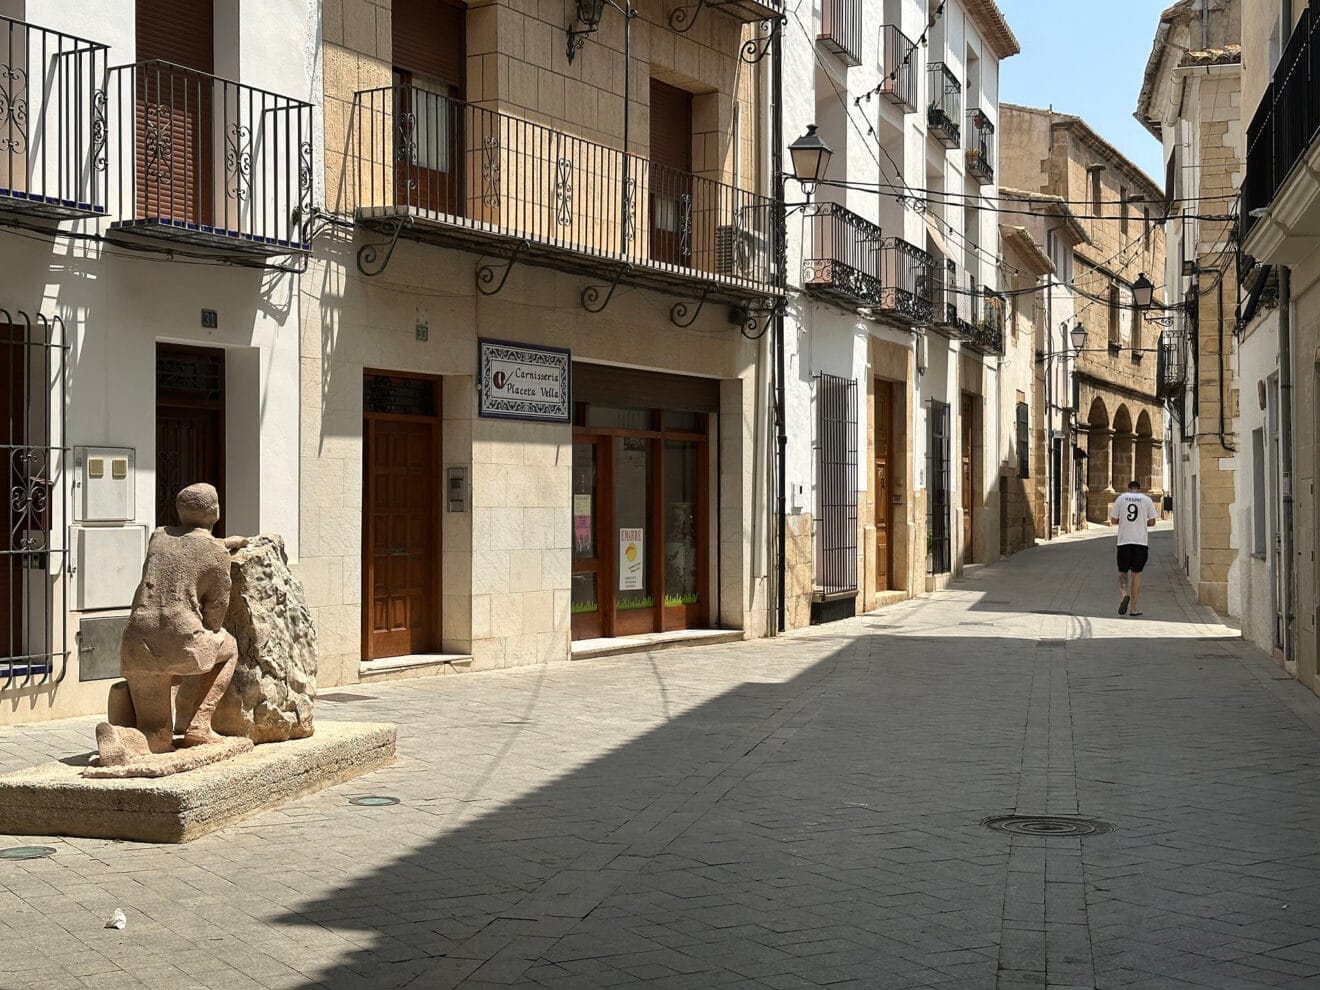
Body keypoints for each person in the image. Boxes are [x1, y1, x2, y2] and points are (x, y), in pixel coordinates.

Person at [1109, 480, 1158, 616]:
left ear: (1128, 488)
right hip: (1140, 542)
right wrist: (1141, 522)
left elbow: (1113, 520)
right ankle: (1133, 608)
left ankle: (1124, 595)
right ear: (1139, 489)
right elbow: (1153, 522)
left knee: (1122, 572)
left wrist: (1123, 521)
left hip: (1124, 541)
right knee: (1136, 574)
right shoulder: (1146, 500)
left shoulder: (1121, 498)